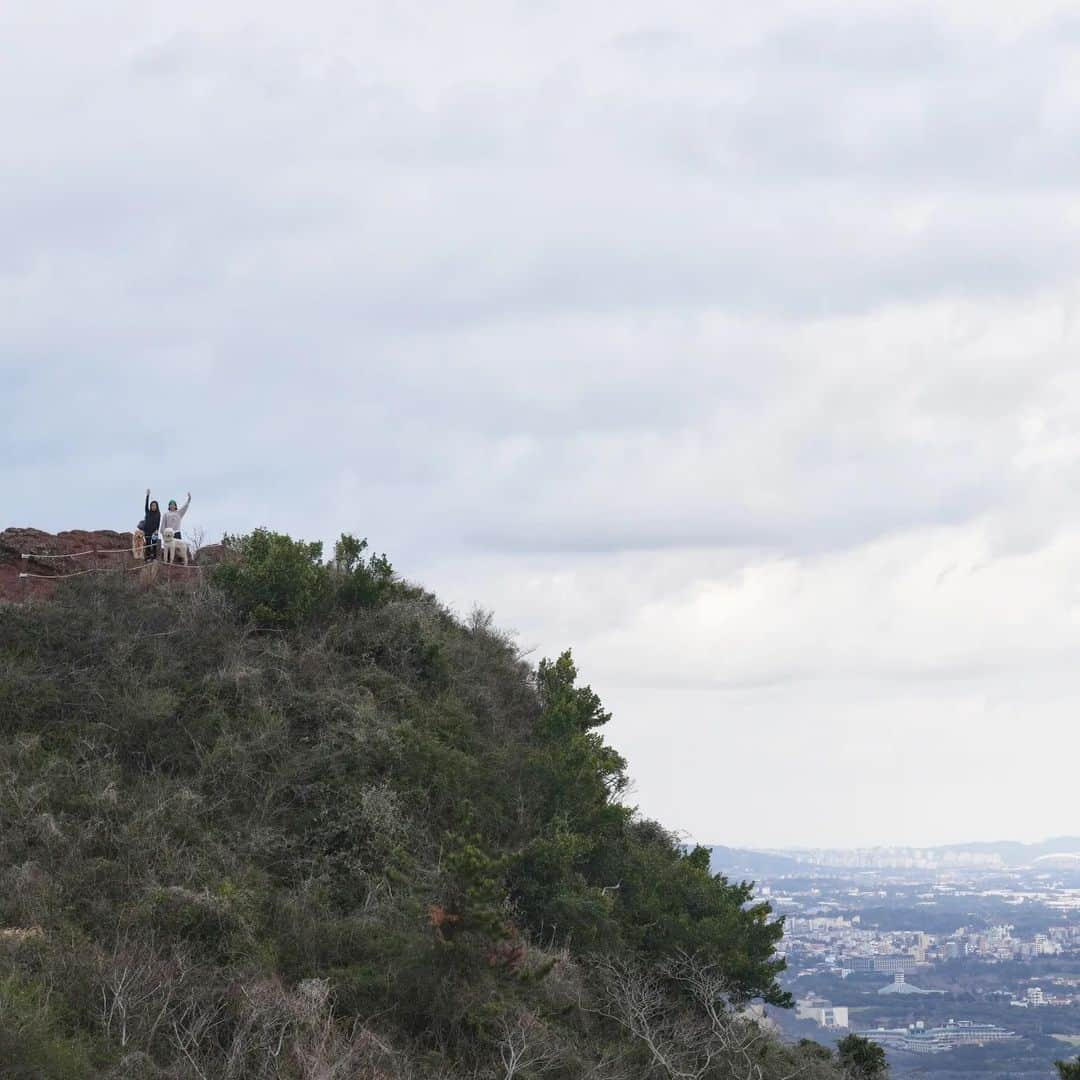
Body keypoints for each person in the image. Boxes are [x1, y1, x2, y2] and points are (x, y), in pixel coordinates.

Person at [143, 490, 162, 560]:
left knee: (154, 544)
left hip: (154, 532)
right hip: (147, 531)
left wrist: (157, 530)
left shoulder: (158, 514)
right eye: (152, 505)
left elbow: (158, 523)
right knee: (147, 544)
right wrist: (147, 495)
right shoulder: (147, 512)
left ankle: (154, 557)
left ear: (157, 506)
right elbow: (146, 505)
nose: (153, 506)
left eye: (155, 505)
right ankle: (147, 557)